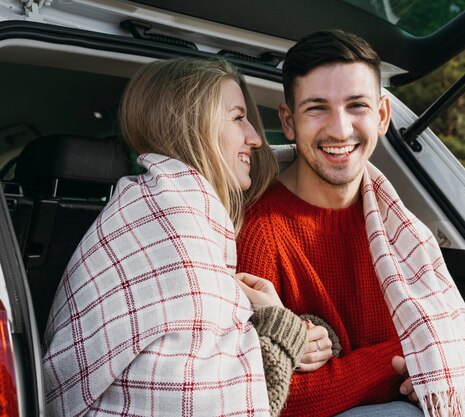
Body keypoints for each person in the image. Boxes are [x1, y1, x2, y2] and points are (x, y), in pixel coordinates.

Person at [237, 30, 465, 417]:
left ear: (382, 116)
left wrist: (426, 379)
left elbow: (445, 355)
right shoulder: (260, 231)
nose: (340, 129)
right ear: (288, 121)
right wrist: (403, 357)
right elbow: (266, 394)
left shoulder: (404, 232)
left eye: (356, 106)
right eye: (317, 107)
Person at [42, 57, 335, 417]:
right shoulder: (172, 222)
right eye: (237, 117)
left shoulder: (161, 208)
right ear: (195, 125)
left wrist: (287, 323)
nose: (256, 139)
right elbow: (206, 403)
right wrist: (283, 328)